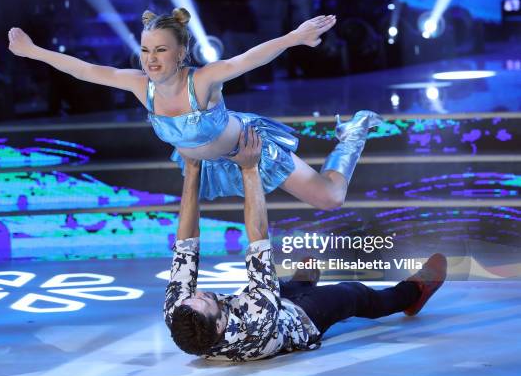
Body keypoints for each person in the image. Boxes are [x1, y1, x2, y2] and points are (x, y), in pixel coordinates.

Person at [8, 8, 382, 209]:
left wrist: (293, 38)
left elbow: (247, 60)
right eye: (145, 50)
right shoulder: (141, 85)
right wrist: (32, 52)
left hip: (251, 149)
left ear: (181, 52)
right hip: (207, 164)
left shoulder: (201, 80)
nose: (150, 60)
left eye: (160, 50)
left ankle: (353, 134)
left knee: (329, 199)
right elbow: (85, 70)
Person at [164, 127, 447, 361]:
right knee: (353, 294)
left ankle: (299, 284)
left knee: (279, 288)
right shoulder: (256, 322)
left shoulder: (179, 313)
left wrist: (191, 169)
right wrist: (250, 169)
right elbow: (258, 239)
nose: (199, 293)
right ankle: (413, 293)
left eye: (193, 296)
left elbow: (186, 243)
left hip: (259, 301)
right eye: (202, 301)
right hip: (298, 322)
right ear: (218, 324)